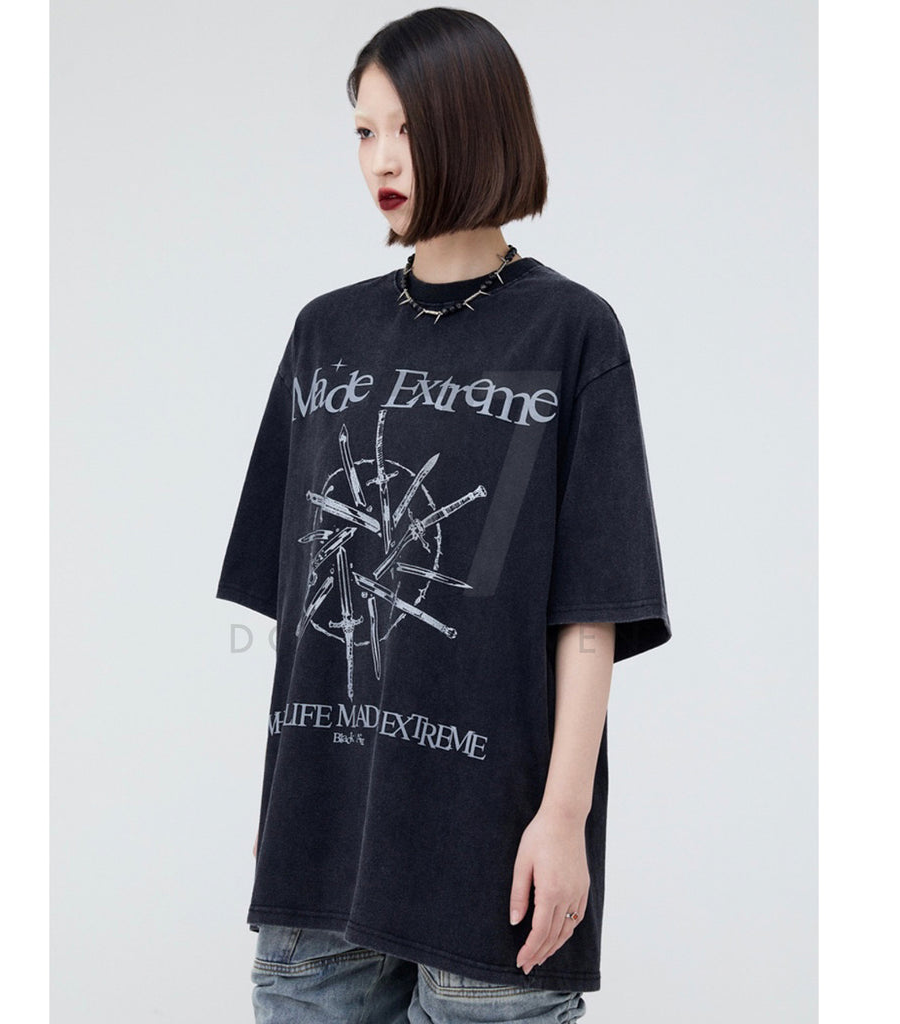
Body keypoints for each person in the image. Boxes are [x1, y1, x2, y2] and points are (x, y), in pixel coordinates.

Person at [215, 8, 672, 1022]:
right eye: (363, 131)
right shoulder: (325, 333)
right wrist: (283, 804)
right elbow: (304, 602)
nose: (380, 159)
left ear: (478, 126)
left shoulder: (572, 333)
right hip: (319, 858)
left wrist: (564, 817)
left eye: (407, 129)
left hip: (489, 861)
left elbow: (592, 610)